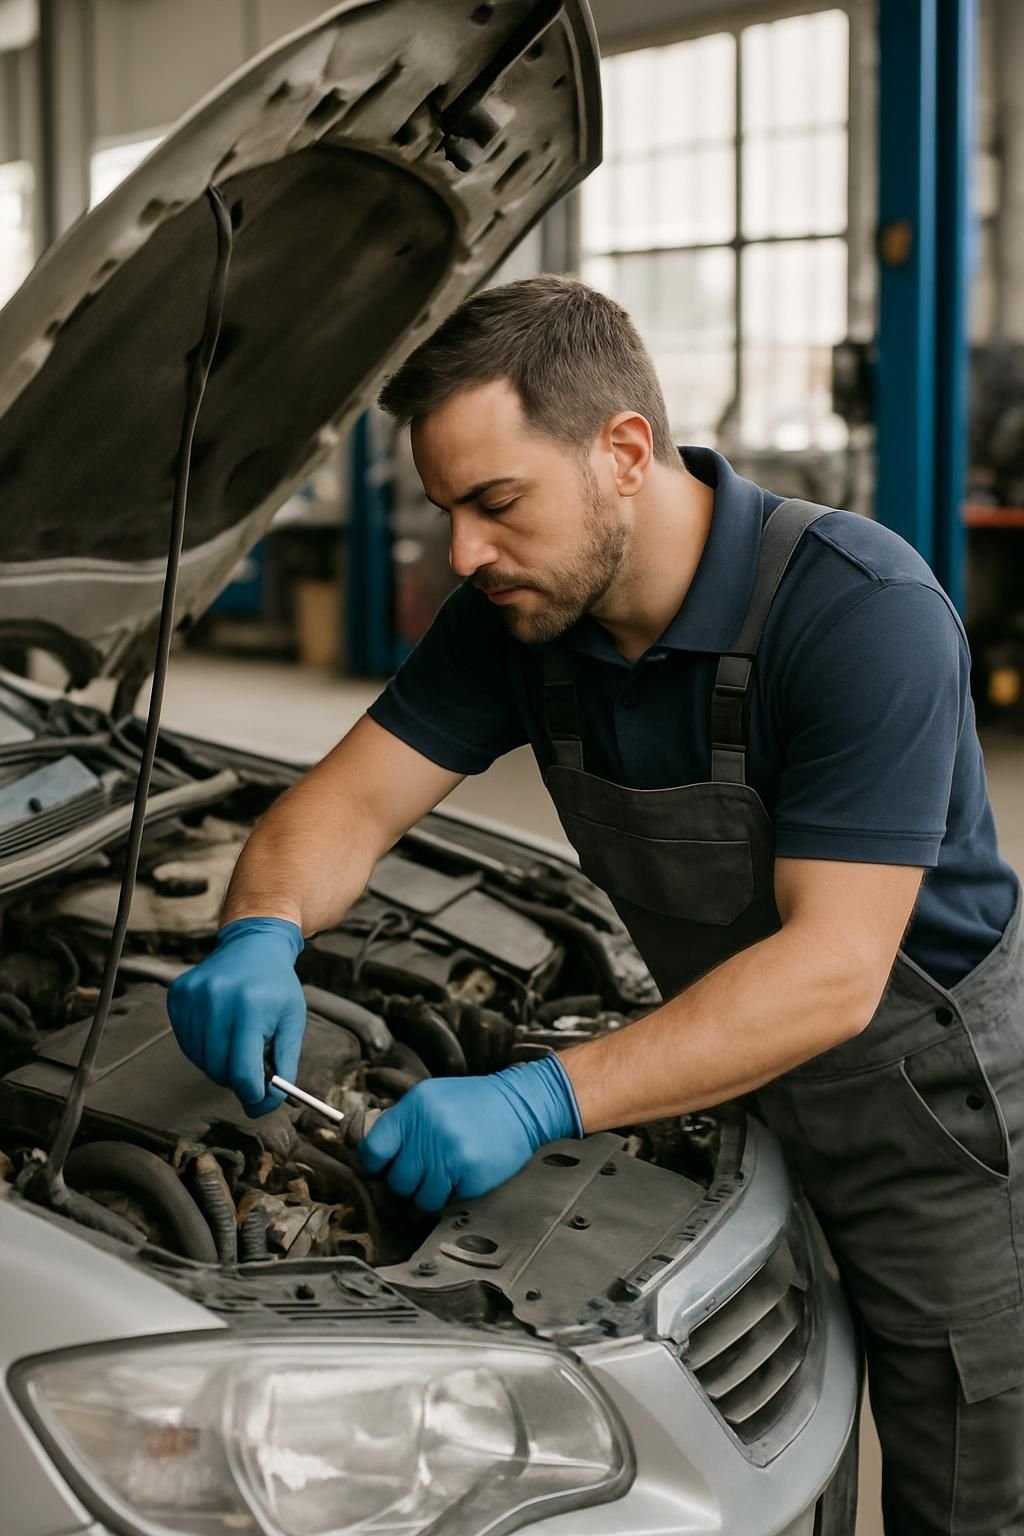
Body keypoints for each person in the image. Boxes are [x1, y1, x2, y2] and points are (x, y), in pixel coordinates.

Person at [168, 274, 1024, 1533]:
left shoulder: (857, 613)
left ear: (625, 450)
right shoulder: (520, 618)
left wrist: (543, 1095)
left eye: (497, 503)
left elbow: (835, 971)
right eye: (447, 509)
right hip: (723, 1070)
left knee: (963, 1483)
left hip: (927, 1122)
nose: (464, 552)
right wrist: (261, 932)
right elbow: (339, 808)